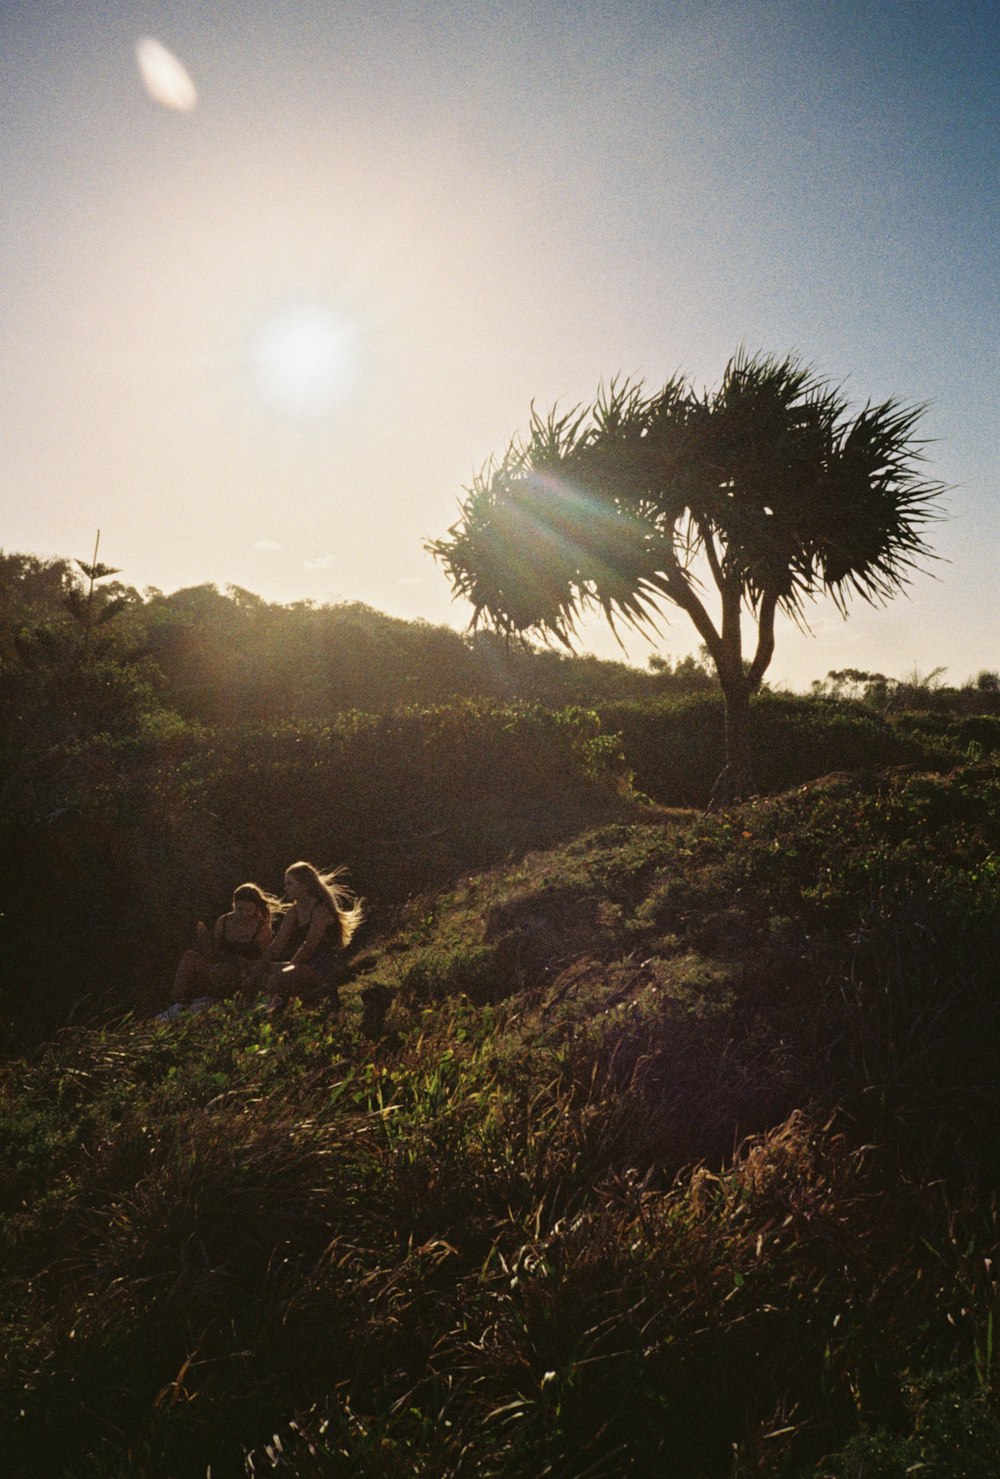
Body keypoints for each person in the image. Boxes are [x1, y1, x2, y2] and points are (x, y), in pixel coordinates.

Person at [248, 860, 363, 1007]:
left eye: (290, 884)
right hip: (304, 963)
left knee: (276, 979)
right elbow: (277, 944)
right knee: (261, 972)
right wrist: (257, 969)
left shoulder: (321, 910)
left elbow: (309, 945)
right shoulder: (293, 912)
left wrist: (289, 967)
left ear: (304, 886)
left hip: (324, 964)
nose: (286, 888)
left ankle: (274, 1011)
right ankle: (271, 1008)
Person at [170, 882, 277, 1009]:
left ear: (256, 909)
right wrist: (204, 937)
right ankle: (179, 1001)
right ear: (234, 905)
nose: (243, 915)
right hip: (219, 968)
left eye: (248, 910)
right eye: (239, 910)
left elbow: (265, 958)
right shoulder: (224, 921)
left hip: (242, 975)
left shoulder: (261, 927)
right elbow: (214, 953)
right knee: (190, 957)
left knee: (231, 970)